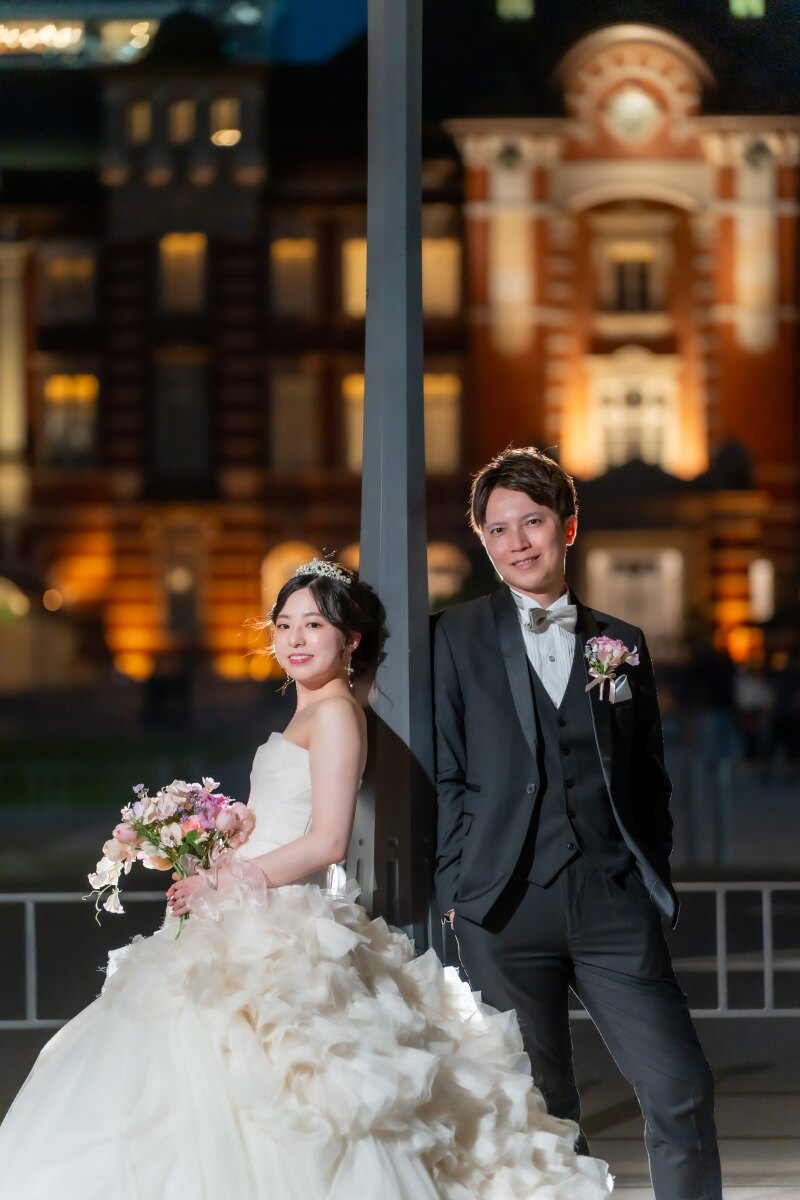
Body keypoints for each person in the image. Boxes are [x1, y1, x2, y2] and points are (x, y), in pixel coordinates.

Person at [0, 557, 611, 1199]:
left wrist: (228, 878)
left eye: (313, 624)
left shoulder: (337, 714)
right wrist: (222, 839)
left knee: (283, 1077)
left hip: (282, 917)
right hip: (246, 906)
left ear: (349, 641)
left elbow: (328, 840)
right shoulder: (308, 712)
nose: (294, 638)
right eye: (284, 623)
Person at [433, 448, 722, 1200]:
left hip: (611, 904)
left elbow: (648, 778)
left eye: (533, 521)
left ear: (567, 527)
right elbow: (446, 776)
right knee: (543, 1111)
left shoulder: (618, 643)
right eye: (499, 529)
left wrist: (642, 874)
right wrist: (458, 887)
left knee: (680, 1087)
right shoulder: (452, 637)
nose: (518, 542)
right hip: (503, 907)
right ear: (483, 540)